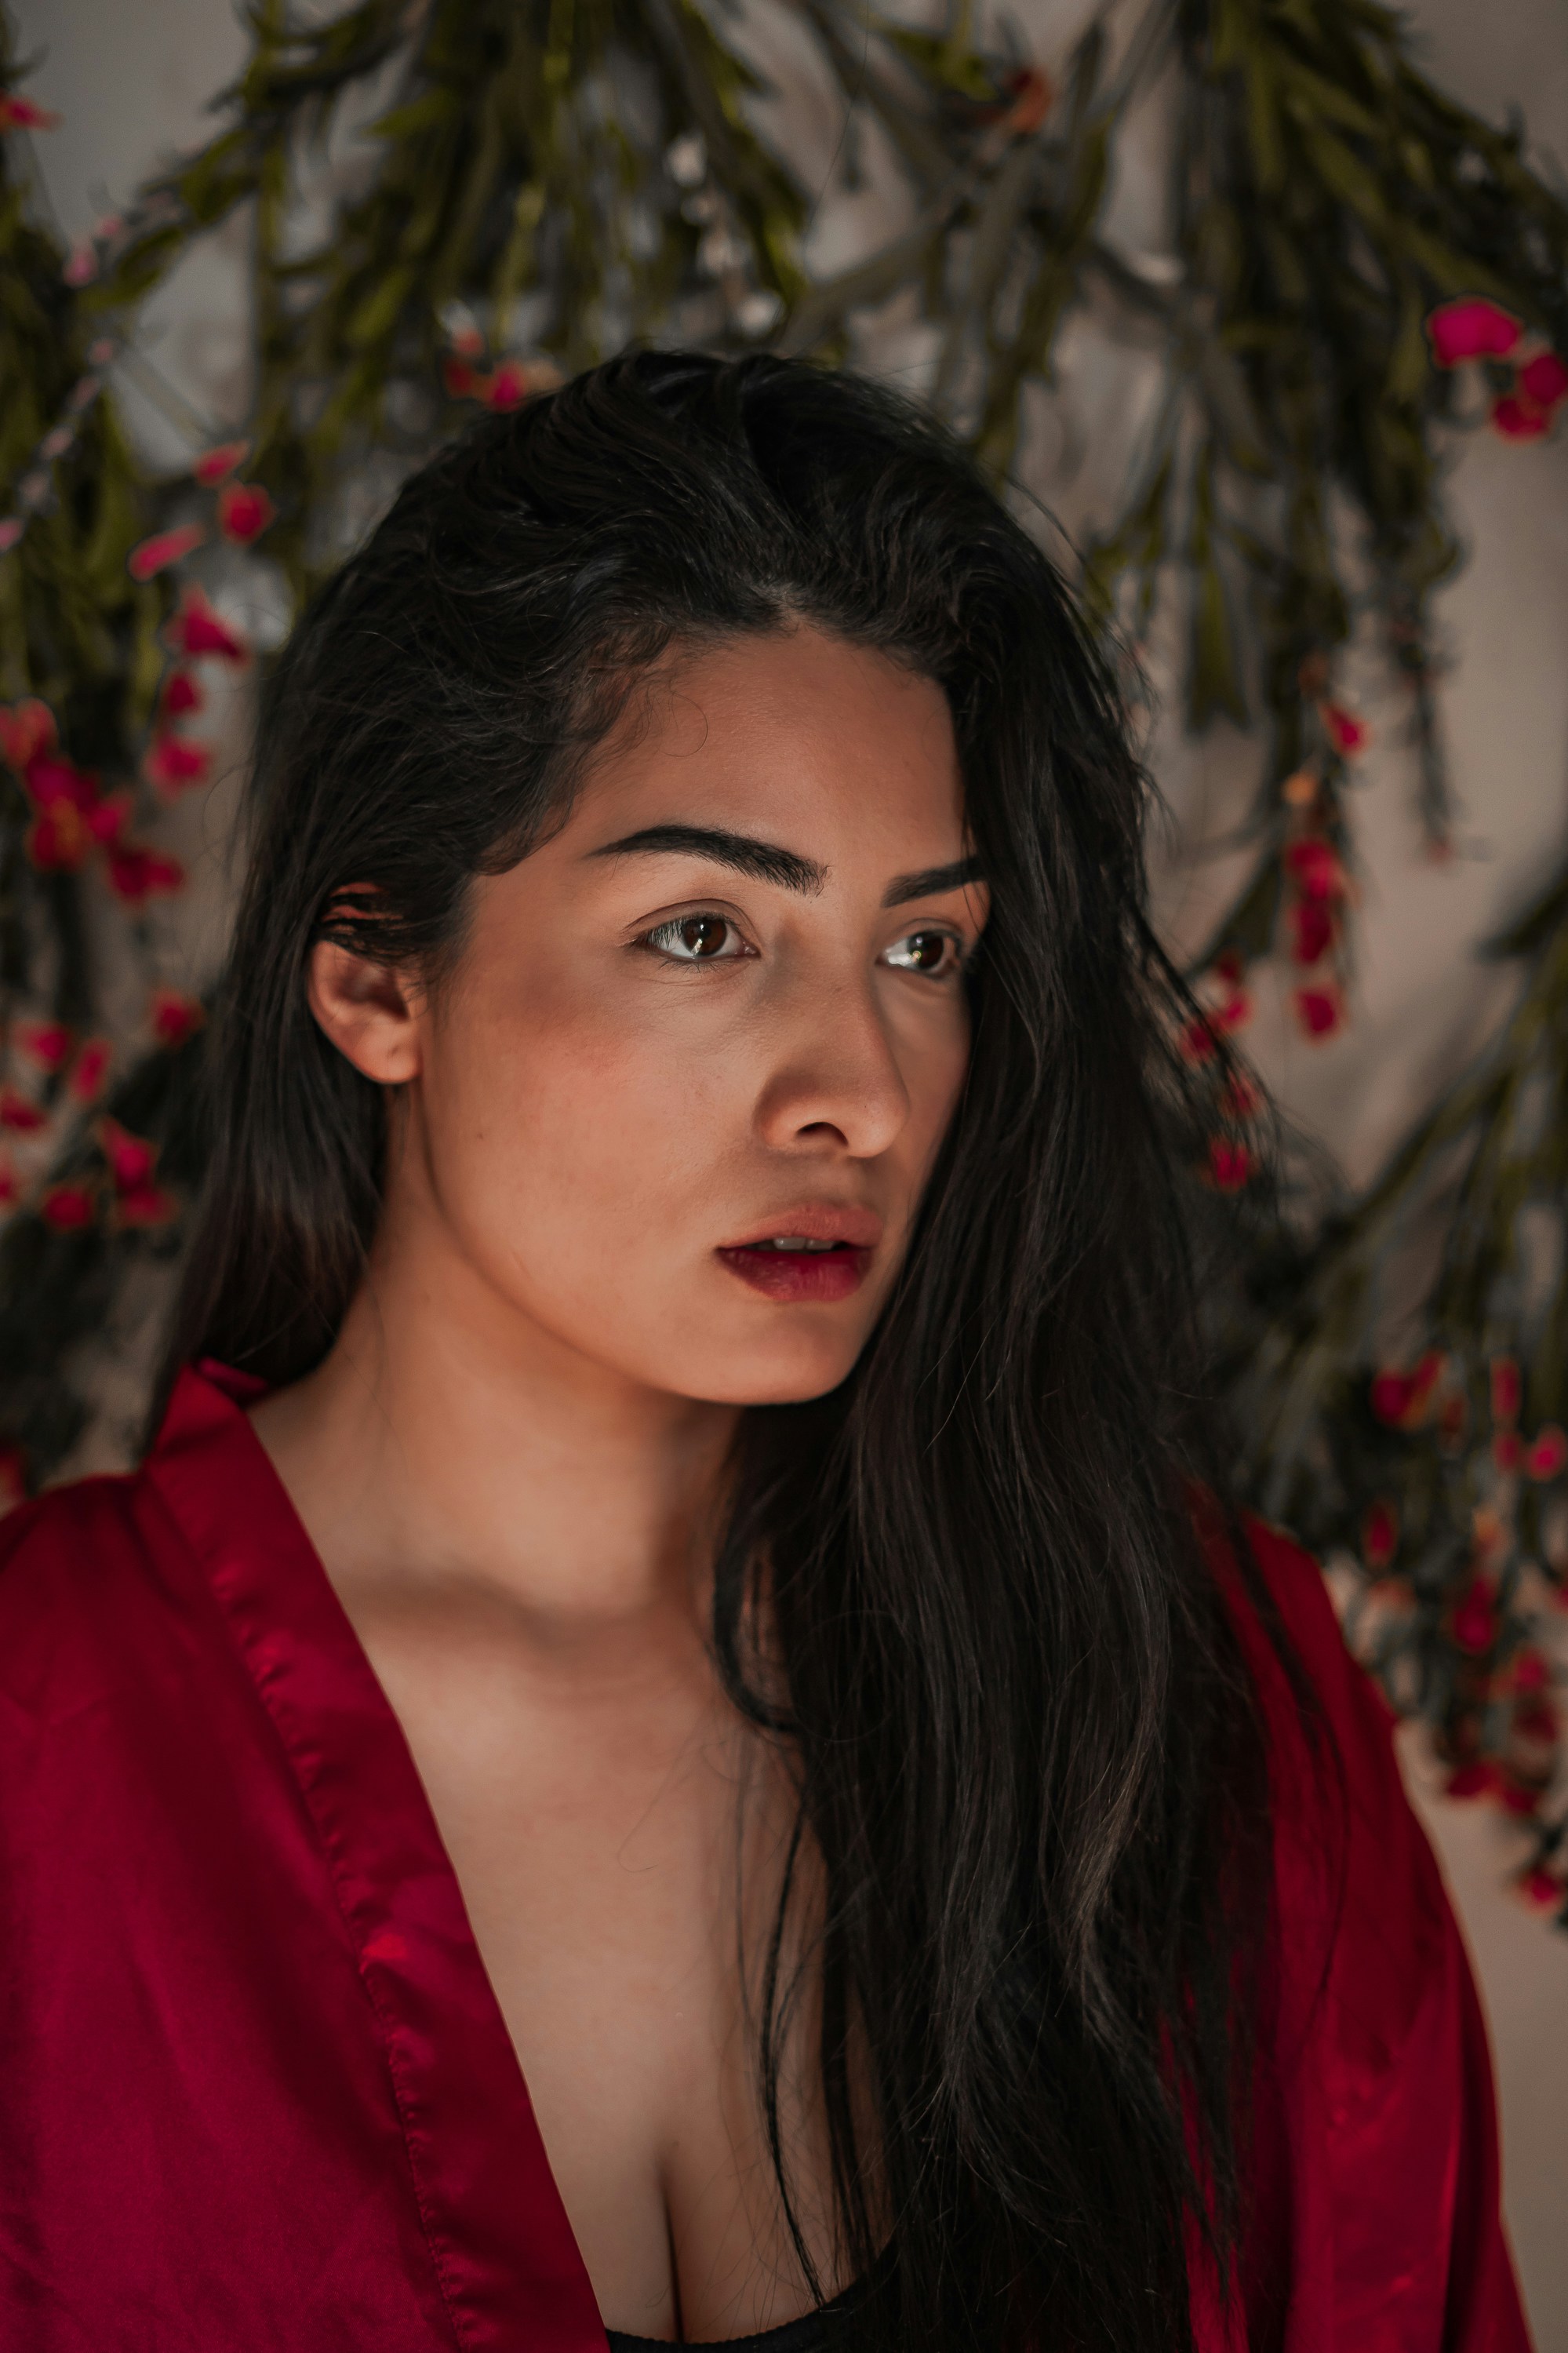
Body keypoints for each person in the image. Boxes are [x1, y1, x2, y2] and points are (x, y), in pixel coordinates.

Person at [0, 351, 1530, 2353]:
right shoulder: (46, 1751)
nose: (863, 1099)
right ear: (377, 979)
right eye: (705, 933)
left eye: (923, 953)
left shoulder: (1188, 1687)